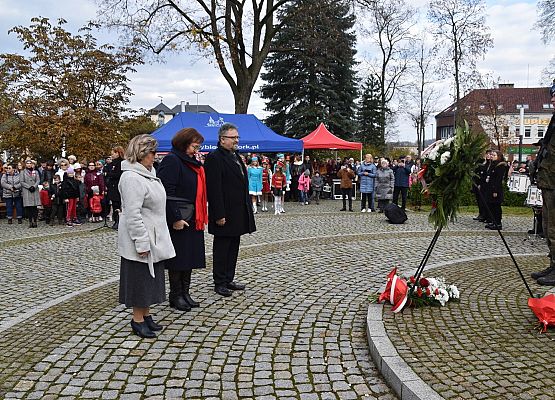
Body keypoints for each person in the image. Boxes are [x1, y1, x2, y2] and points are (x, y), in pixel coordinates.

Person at [118, 134, 176, 338]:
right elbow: (132, 214)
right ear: (142, 153)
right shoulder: (132, 178)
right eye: (152, 152)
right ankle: (137, 319)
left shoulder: (147, 173)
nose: (155, 156)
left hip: (155, 235)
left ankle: (146, 314)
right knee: (139, 280)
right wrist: (141, 241)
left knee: (150, 279)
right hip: (141, 237)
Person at [157, 128, 207, 311]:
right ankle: (175, 295)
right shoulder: (172, 160)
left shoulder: (192, 162)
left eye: (198, 145)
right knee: (178, 259)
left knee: (189, 257)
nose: (197, 148)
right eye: (195, 144)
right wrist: (175, 218)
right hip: (179, 217)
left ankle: (186, 293)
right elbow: (166, 192)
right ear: (184, 142)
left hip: (193, 216)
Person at [204, 123, 256, 297]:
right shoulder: (215, 157)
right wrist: (219, 214)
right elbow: (214, 188)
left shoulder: (235, 155)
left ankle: (228, 278)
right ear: (222, 139)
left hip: (238, 211)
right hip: (224, 212)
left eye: (237, 137)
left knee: (234, 246)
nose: (236, 140)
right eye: (233, 137)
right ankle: (219, 282)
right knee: (222, 248)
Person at [531, 81, 555, 285]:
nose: (553, 99)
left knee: (554, 228)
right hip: (549, 182)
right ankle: (553, 264)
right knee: (547, 226)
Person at [483, 150, 507, 230]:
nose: (492, 156)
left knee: (496, 207)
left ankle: (498, 223)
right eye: (492, 155)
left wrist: (495, 190)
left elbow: (498, 180)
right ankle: (493, 222)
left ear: (498, 156)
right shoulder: (493, 165)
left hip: (496, 189)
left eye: (494, 155)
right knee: (491, 206)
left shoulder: (501, 166)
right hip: (490, 188)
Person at [105, 146, 124, 230]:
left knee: (118, 204)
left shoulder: (121, 163)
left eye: (113, 153)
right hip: (112, 186)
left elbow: (119, 174)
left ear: (117, 153)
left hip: (118, 186)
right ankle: (116, 220)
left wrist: (109, 174)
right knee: (114, 203)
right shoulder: (111, 163)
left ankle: (119, 221)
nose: (111, 155)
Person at [20, 159, 41, 228]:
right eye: (27, 163)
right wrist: (29, 187)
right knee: (29, 208)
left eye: (30, 163)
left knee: (34, 207)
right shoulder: (22, 172)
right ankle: (30, 222)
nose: (29, 164)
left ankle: (35, 221)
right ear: (25, 164)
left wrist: (34, 186)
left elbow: (38, 180)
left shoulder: (36, 172)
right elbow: (22, 181)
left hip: (34, 190)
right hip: (27, 191)